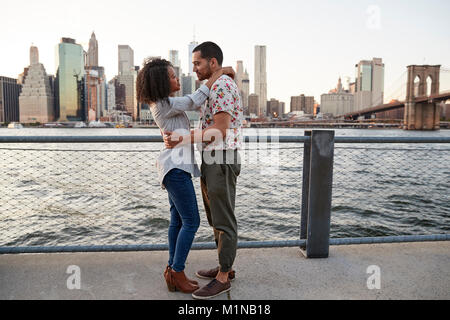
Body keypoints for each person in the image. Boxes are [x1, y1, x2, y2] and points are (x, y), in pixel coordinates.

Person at [136, 58, 234, 294]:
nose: (177, 78)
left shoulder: (164, 103)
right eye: (171, 76)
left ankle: (173, 271)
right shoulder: (164, 103)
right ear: (160, 82)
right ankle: (176, 271)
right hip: (176, 170)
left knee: (177, 221)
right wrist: (217, 74)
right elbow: (194, 99)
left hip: (174, 169)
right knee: (192, 221)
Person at [164, 42, 244, 300]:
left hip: (221, 157)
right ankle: (225, 266)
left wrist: (181, 138)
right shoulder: (215, 84)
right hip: (212, 158)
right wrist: (224, 71)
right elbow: (195, 102)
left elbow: (219, 131)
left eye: (197, 63)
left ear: (212, 62)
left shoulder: (221, 86)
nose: (194, 68)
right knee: (215, 217)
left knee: (223, 218)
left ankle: (224, 277)